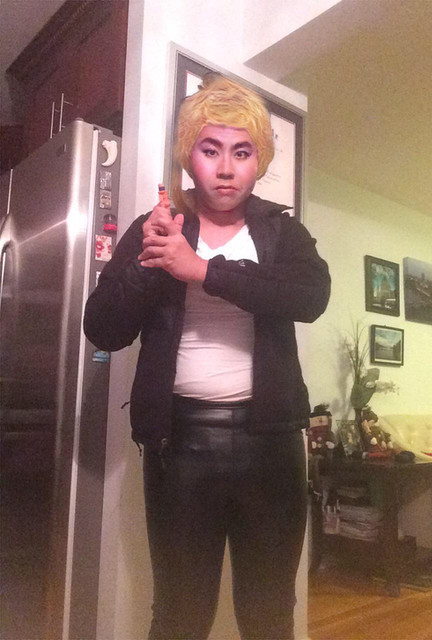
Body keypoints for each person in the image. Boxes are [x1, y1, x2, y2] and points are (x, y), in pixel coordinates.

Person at [84, 73, 331, 640]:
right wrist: (150, 261)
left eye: (242, 152)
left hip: (272, 445)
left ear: (259, 160)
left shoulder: (281, 232)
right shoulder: (158, 227)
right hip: (179, 445)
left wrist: (200, 270)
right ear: (187, 156)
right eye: (210, 149)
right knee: (179, 615)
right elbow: (103, 329)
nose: (225, 168)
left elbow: (311, 296)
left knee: (269, 615)